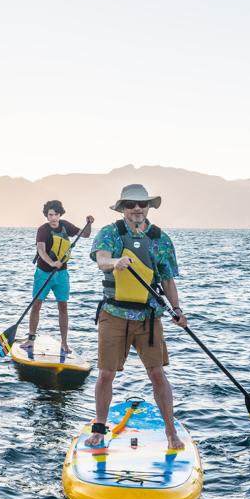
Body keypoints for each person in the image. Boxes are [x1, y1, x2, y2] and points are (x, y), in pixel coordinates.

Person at [84, 184, 187, 450]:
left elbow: (167, 278)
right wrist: (115, 262)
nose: (137, 208)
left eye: (142, 204)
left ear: (149, 207)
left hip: (149, 319)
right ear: (122, 208)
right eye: (130, 204)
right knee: (106, 374)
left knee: (157, 373)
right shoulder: (110, 233)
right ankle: (99, 429)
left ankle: (171, 432)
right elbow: (102, 260)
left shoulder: (160, 239)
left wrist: (177, 309)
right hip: (114, 315)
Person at [22, 200, 93, 357]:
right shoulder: (43, 230)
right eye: (49, 215)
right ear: (46, 215)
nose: (52, 218)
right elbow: (41, 250)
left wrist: (88, 223)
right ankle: (31, 340)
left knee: (63, 306)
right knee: (36, 304)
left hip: (61, 274)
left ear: (60, 214)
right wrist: (52, 262)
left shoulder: (65, 225)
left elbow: (86, 234)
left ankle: (64, 342)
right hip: (43, 273)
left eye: (55, 214)